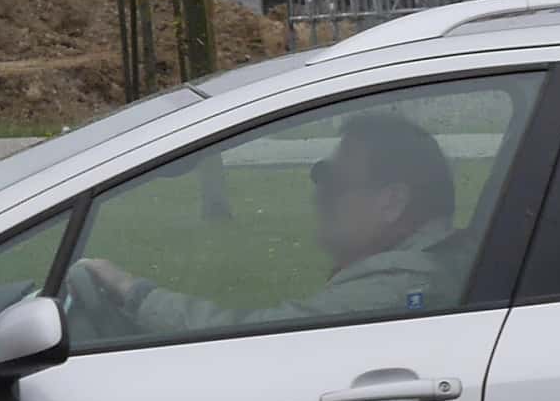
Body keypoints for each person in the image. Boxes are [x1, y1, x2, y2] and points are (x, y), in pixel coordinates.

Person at [66, 111, 471, 340]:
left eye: (335, 184)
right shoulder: (430, 265)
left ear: (391, 201)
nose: (319, 197)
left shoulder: (401, 286)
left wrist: (134, 292)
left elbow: (251, 339)